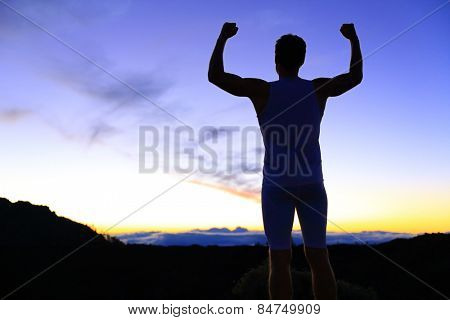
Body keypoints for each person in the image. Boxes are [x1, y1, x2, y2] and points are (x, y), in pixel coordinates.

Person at [208, 22, 363, 299]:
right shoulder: (318, 89)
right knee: (318, 256)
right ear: (302, 60)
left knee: (279, 260)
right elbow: (354, 76)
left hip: (277, 186)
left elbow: (216, 76)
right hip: (312, 184)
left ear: (276, 60)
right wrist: (352, 38)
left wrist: (223, 37)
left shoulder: (262, 90)